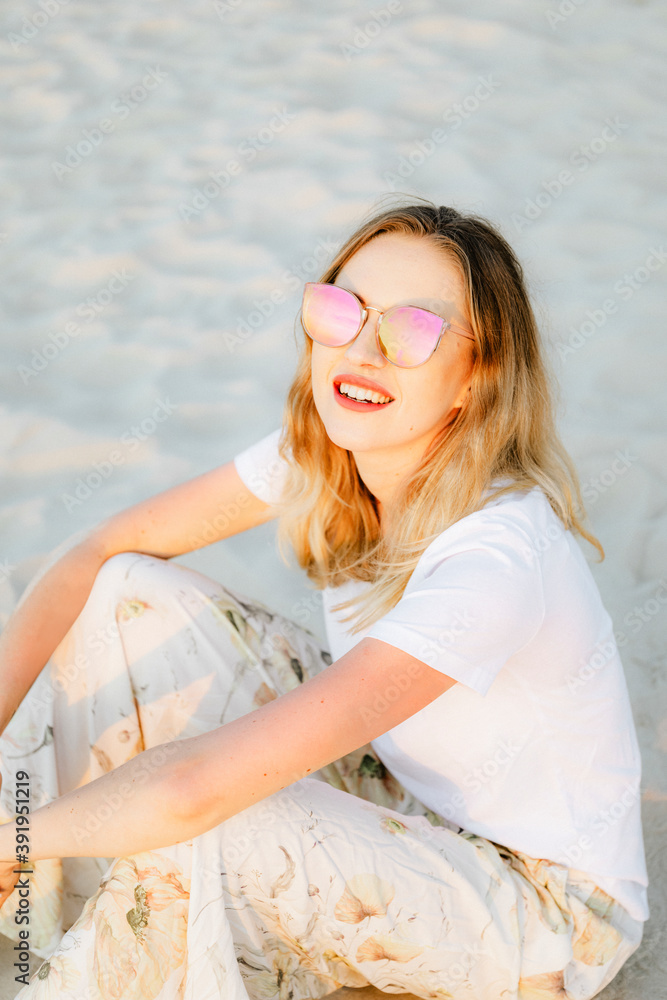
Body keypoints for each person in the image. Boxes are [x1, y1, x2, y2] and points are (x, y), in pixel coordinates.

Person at [0, 200, 648, 1000]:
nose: (363, 349)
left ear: (478, 375)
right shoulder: (331, 450)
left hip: (537, 909)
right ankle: (64, 913)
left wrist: (16, 840)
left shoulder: (497, 559)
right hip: (398, 787)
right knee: (130, 590)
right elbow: (94, 550)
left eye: (413, 330)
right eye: (341, 310)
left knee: (205, 810)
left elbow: (191, 790)